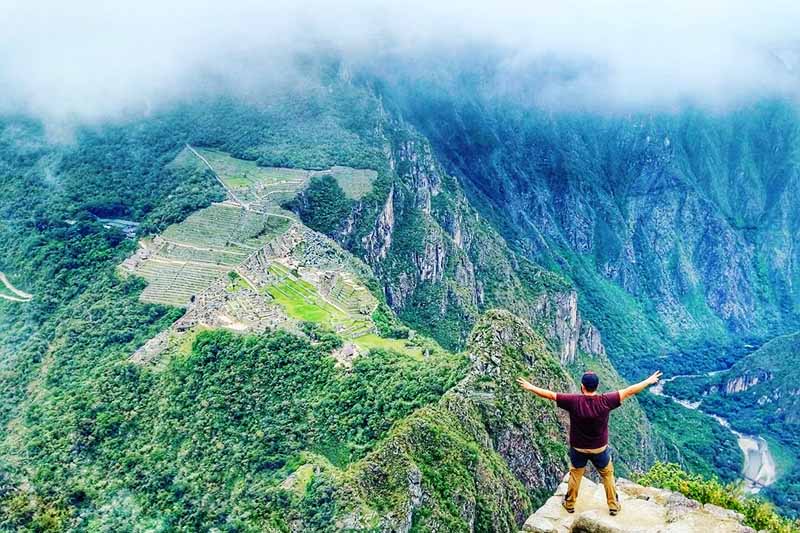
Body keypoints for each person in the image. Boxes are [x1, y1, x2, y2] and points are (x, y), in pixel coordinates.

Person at [516, 370, 662, 516]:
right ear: (597, 386)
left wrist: (531, 387)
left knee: (575, 475)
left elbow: (550, 395)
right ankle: (613, 505)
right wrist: (648, 381)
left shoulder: (573, 401)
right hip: (599, 448)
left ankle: (570, 504)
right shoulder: (605, 400)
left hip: (578, 448)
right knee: (607, 475)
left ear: (582, 386)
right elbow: (629, 391)